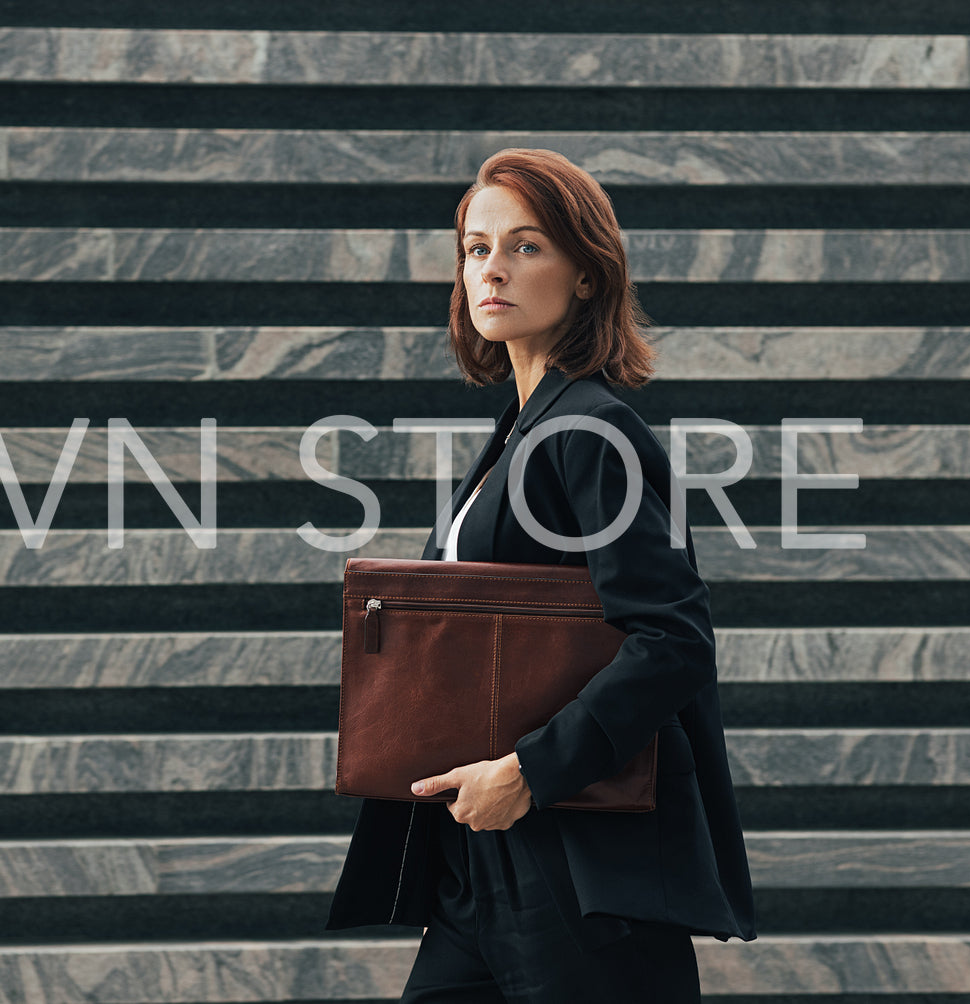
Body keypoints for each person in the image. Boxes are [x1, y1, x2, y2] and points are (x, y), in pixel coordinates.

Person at [325, 149, 758, 1001]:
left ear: (586, 275)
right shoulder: (522, 430)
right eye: (476, 248)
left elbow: (671, 639)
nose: (492, 269)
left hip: (572, 869)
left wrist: (526, 773)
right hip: (481, 861)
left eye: (525, 247)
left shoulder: (593, 432)